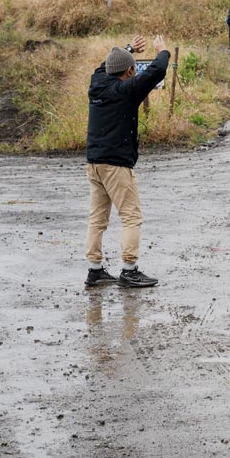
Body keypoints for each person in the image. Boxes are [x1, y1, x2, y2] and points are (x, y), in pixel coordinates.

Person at [84, 35, 169, 288]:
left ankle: (95, 270)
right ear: (130, 70)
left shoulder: (97, 82)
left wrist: (128, 49)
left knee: (97, 219)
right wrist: (162, 51)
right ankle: (129, 270)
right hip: (116, 165)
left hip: (94, 163)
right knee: (132, 216)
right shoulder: (126, 90)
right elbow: (156, 71)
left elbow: (103, 65)